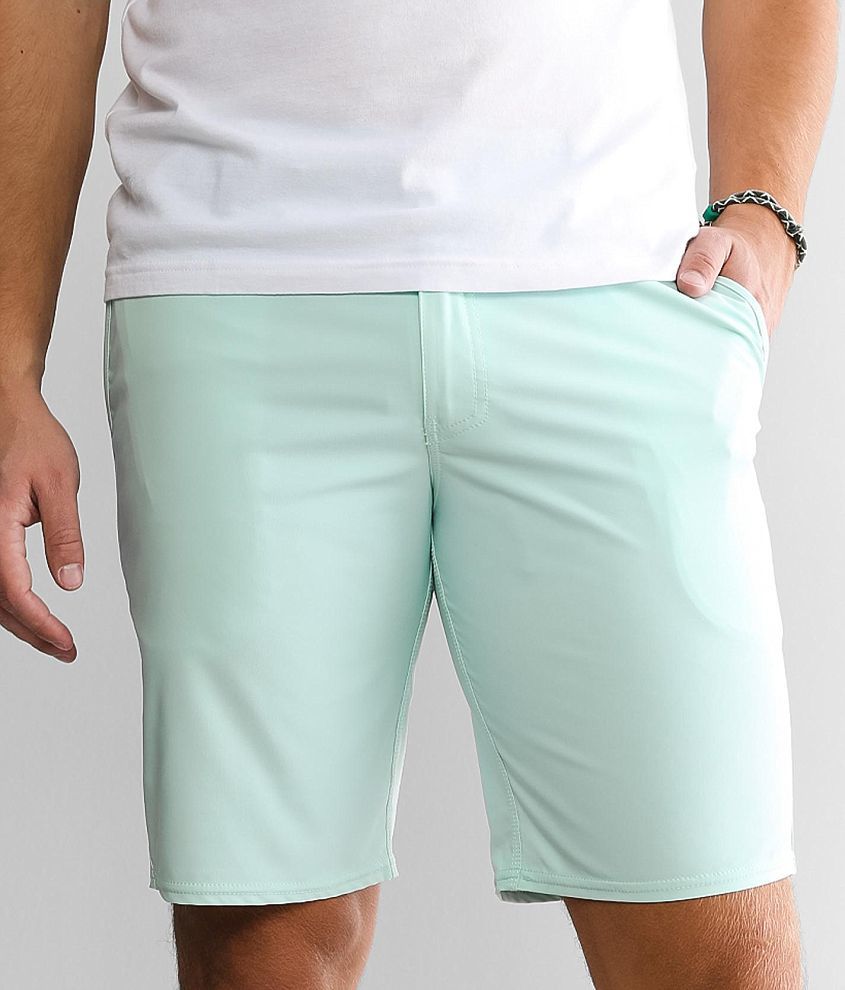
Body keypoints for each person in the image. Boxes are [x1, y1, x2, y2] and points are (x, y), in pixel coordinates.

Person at [0, 1, 838, 987]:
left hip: (616, 276)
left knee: (723, 946)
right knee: (265, 947)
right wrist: (7, 363)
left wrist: (765, 211)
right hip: (235, 280)